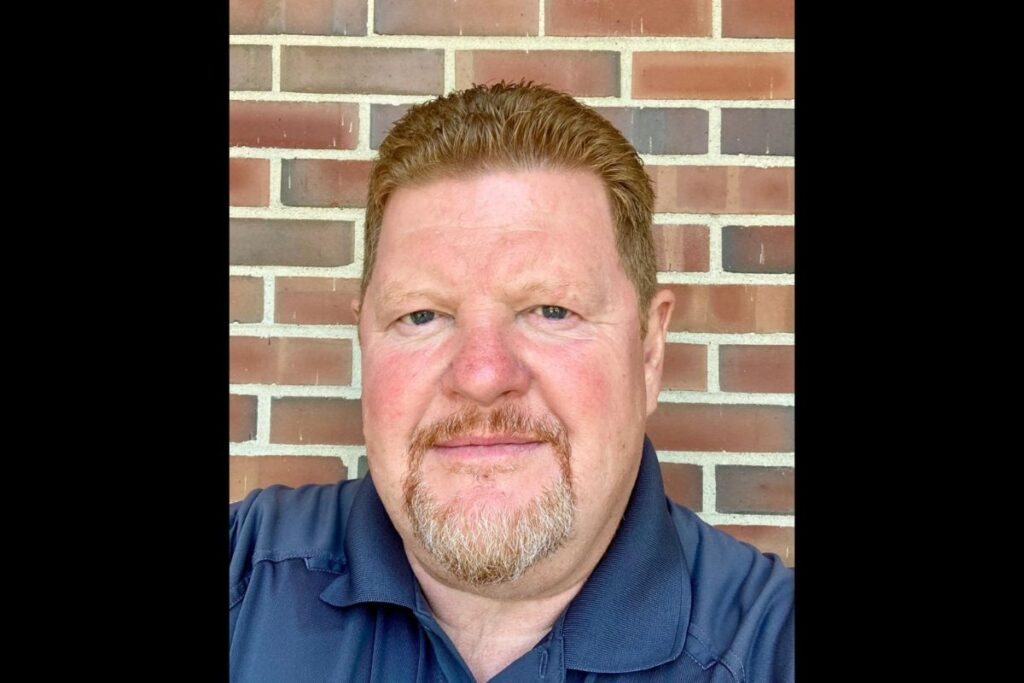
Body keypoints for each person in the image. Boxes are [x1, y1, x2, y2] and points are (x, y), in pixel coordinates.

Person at [229, 81, 794, 682]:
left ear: (649, 351)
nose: (481, 375)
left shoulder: (771, 649)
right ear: (365, 342)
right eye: (421, 315)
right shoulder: (245, 577)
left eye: (551, 310)